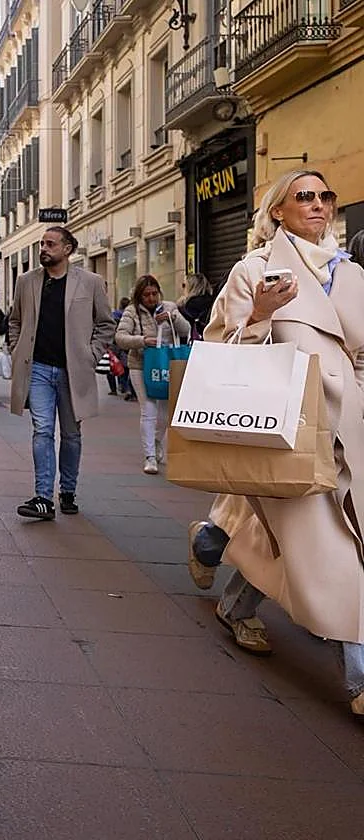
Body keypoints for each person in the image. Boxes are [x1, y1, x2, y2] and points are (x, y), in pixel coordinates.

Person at [185, 170, 364, 717]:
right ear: (278, 210)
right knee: (333, 553)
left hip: (350, 429)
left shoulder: (351, 273)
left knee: (283, 540)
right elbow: (220, 348)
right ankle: (359, 680)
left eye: (325, 196)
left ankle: (228, 587)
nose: (318, 204)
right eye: (303, 196)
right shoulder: (254, 269)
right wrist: (261, 314)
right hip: (286, 428)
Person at [8, 226, 115, 520]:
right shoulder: (26, 281)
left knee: (71, 434)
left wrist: (91, 355)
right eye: (42, 243)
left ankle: (67, 490)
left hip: (73, 370)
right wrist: (16, 349)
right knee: (42, 430)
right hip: (38, 369)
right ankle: (43, 497)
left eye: (50, 244)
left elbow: (106, 324)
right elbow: (15, 320)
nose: (43, 248)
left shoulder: (90, 282)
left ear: (67, 249)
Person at [114, 274, 190, 475]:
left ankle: (156, 441)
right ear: (139, 296)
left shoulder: (169, 307)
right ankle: (149, 456)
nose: (151, 298)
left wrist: (173, 318)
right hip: (140, 365)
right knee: (148, 409)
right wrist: (141, 340)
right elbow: (120, 337)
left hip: (165, 364)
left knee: (164, 414)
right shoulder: (132, 312)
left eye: (154, 293)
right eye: (146, 295)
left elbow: (186, 330)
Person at [177, 272, 216, 340]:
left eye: (184, 285)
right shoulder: (213, 300)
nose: (182, 288)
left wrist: (180, 306)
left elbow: (186, 326)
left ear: (191, 287)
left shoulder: (190, 304)